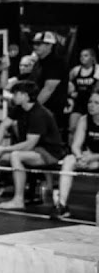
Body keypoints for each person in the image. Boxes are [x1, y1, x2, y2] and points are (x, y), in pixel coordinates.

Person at [0, 81, 67, 210]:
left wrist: (3, 149)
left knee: (16, 155)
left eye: (16, 94)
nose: (13, 96)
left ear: (26, 96)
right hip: (34, 150)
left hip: (49, 152)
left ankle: (18, 200)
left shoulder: (39, 113)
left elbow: (29, 144)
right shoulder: (19, 109)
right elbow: (4, 125)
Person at [52, 90, 99, 219]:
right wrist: (80, 158)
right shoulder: (84, 119)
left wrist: (93, 157)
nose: (91, 105)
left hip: (94, 157)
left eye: (96, 103)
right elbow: (75, 145)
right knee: (69, 160)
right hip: (89, 157)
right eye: (90, 102)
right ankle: (62, 206)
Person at [31, 30, 68, 132]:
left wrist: (32, 109)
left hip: (51, 112)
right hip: (41, 110)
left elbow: (48, 89)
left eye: (39, 44)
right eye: (34, 43)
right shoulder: (39, 63)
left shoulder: (56, 62)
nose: (35, 46)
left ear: (49, 45)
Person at [67, 48, 97, 132]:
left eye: (86, 55)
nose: (82, 58)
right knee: (72, 128)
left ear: (92, 57)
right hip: (78, 103)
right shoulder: (76, 70)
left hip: (93, 103)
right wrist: (71, 92)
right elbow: (65, 82)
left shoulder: (97, 69)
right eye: (81, 56)